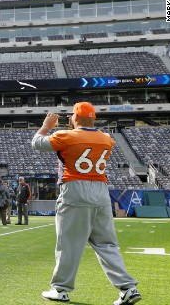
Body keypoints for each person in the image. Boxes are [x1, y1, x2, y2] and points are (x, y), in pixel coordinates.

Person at [31, 103, 141, 305]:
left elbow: (37, 143)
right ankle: (127, 288)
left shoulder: (66, 135)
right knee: (107, 244)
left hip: (75, 189)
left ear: (75, 117)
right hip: (100, 190)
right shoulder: (107, 138)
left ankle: (61, 289)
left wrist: (46, 125)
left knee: (68, 244)